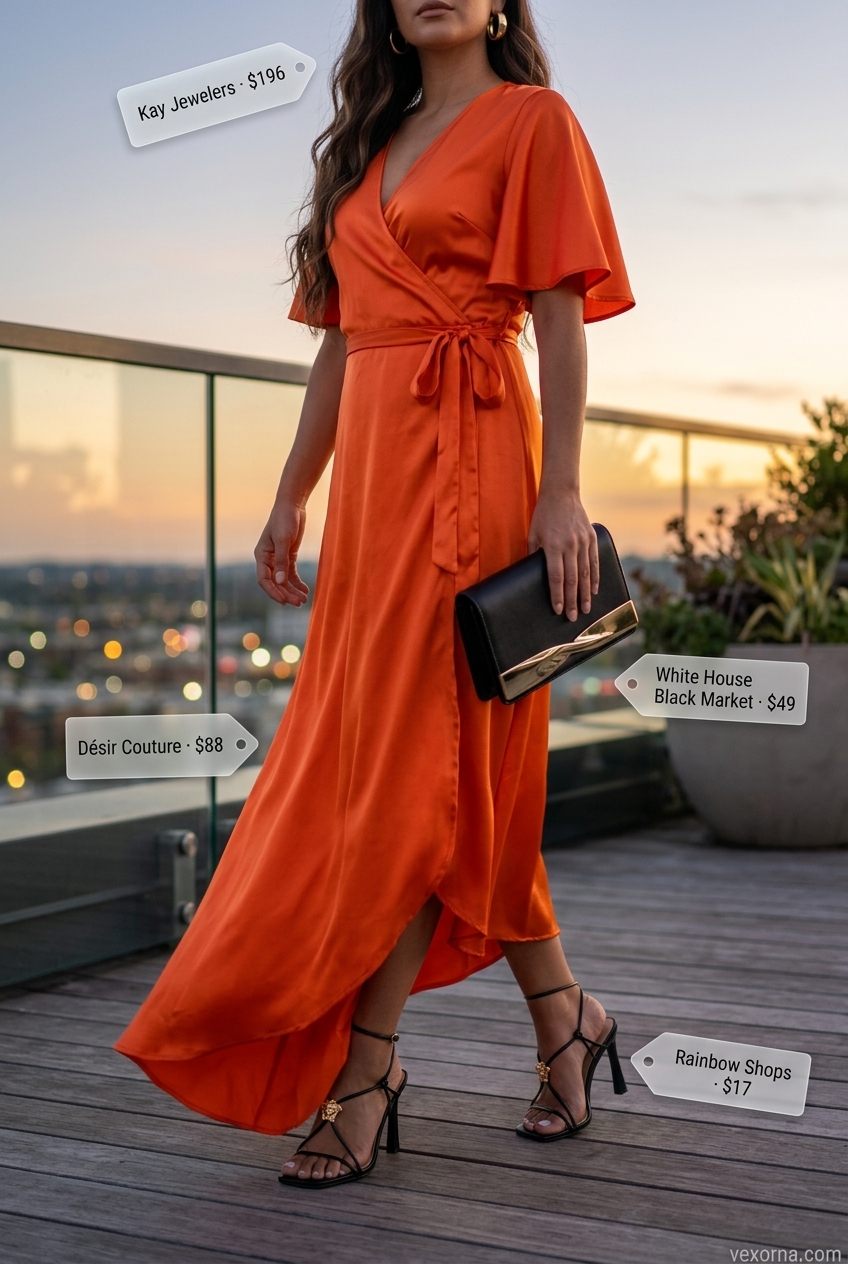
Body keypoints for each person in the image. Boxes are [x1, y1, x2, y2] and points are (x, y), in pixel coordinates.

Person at [116, 0, 634, 1187]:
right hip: (378, 500)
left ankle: (365, 1068)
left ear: (502, 1)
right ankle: (568, 1023)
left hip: (479, 466)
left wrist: (561, 493)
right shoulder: (370, 139)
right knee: (447, 774)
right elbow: (341, 345)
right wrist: (293, 495)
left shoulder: (532, 121)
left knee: (421, 775)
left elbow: (557, 318)